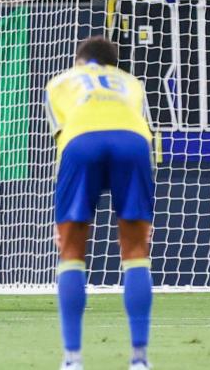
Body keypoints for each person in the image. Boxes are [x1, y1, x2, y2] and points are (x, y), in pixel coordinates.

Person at [45, 37, 153, 370]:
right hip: (133, 143)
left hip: (81, 142)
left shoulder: (60, 82)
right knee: (135, 252)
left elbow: (63, 143)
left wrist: (59, 216)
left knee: (72, 251)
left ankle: (73, 359)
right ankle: (139, 359)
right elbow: (146, 132)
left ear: (80, 60)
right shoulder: (131, 83)